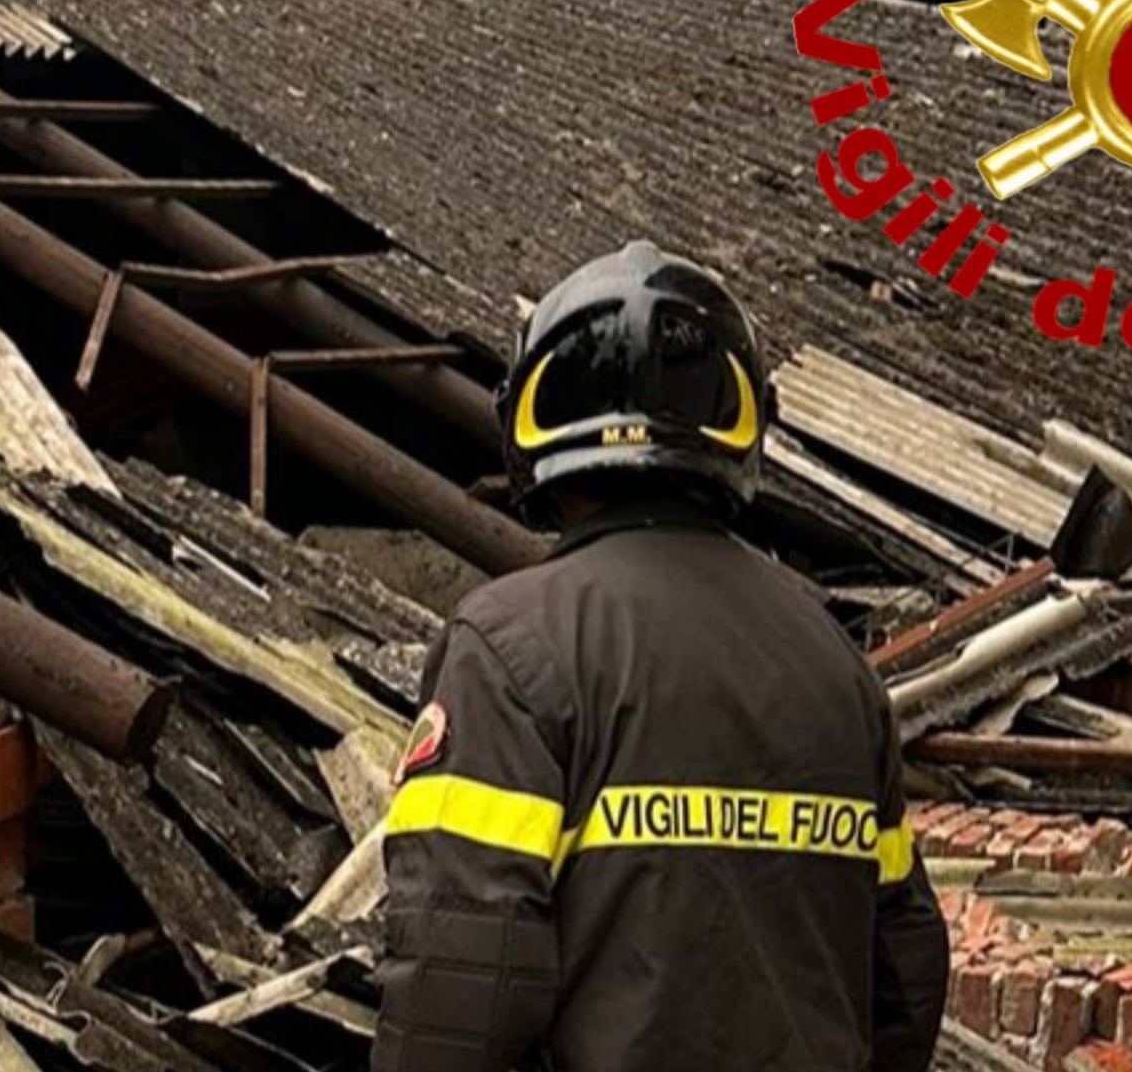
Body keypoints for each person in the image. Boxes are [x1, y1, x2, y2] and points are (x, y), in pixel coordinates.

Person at [366, 241, 946, 1072]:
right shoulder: (834, 663)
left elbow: (458, 993)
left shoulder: (507, 647)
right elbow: (907, 971)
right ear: (741, 420)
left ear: (530, 415)